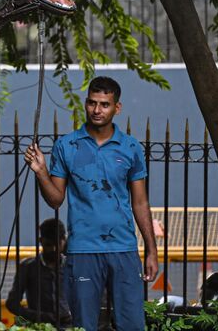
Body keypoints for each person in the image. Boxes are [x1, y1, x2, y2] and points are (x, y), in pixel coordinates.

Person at [24, 76, 158, 331]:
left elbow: (140, 203)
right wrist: (41, 171)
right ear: (85, 104)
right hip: (82, 250)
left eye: (105, 104)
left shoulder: (130, 148)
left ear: (116, 108)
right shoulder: (66, 145)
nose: (97, 110)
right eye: (92, 103)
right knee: (84, 326)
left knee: (132, 325)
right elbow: (56, 199)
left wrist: (151, 250)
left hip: (123, 249)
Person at [6, 218, 72, 327]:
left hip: (68, 325)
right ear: (40, 241)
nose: (54, 249)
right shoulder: (28, 267)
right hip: (40, 326)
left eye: (57, 244)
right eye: (49, 245)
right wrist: (40, 316)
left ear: (64, 240)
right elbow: (12, 303)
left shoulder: (71, 266)